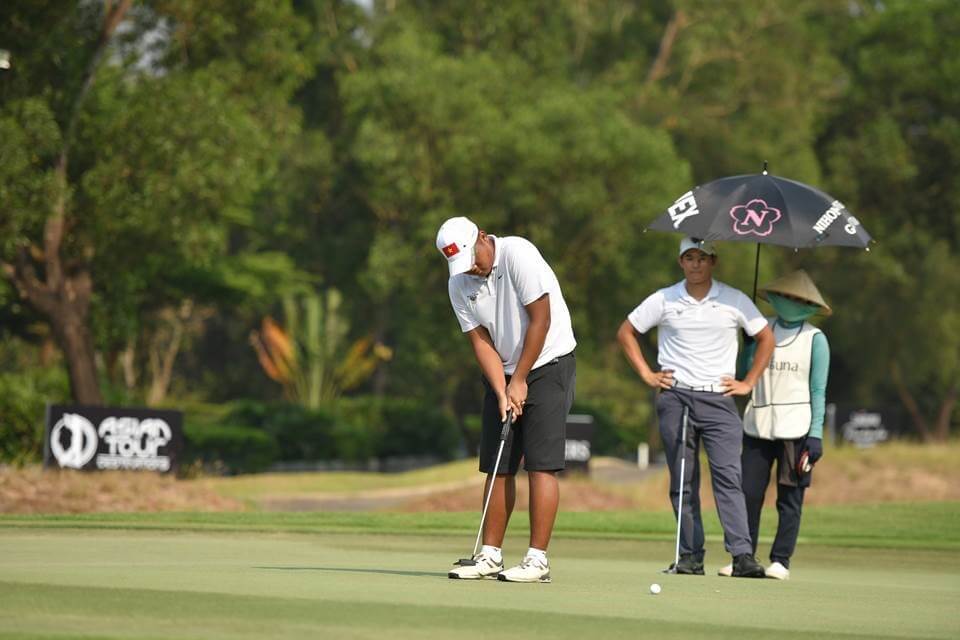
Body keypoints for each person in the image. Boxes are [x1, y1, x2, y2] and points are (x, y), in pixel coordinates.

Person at [617, 237, 775, 578]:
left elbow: (765, 337)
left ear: (713, 261)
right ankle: (689, 555)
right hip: (677, 397)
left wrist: (748, 382)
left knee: (729, 479)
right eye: (689, 257)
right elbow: (627, 331)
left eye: (702, 257)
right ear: (681, 262)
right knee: (684, 479)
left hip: (719, 400)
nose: (696, 264)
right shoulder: (665, 298)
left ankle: (742, 555)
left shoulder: (734, 299)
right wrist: (647, 373)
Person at [438, 217, 576, 583]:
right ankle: (490, 554)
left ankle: (537, 559)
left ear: (482, 238)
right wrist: (502, 389)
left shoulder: (519, 254)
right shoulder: (458, 283)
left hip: (549, 361)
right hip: (503, 370)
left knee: (541, 464)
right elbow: (480, 341)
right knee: (498, 463)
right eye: (463, 266)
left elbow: (541, 320)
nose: (472, 268)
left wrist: (520, 379)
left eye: (473, 259)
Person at [718, 269, 831, 580]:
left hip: (797, 429)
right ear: (776, 298)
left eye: (798, 299)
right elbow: (743, 373)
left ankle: (781, 560)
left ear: (809, 304)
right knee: (748, 494)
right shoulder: (761, 329)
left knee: (789, 499)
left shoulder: (815, 340)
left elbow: (818, 391)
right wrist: (749, 346)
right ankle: (743, 556)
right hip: (758, 424)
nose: (791, 302)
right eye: (786, 296)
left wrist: (816, 435)